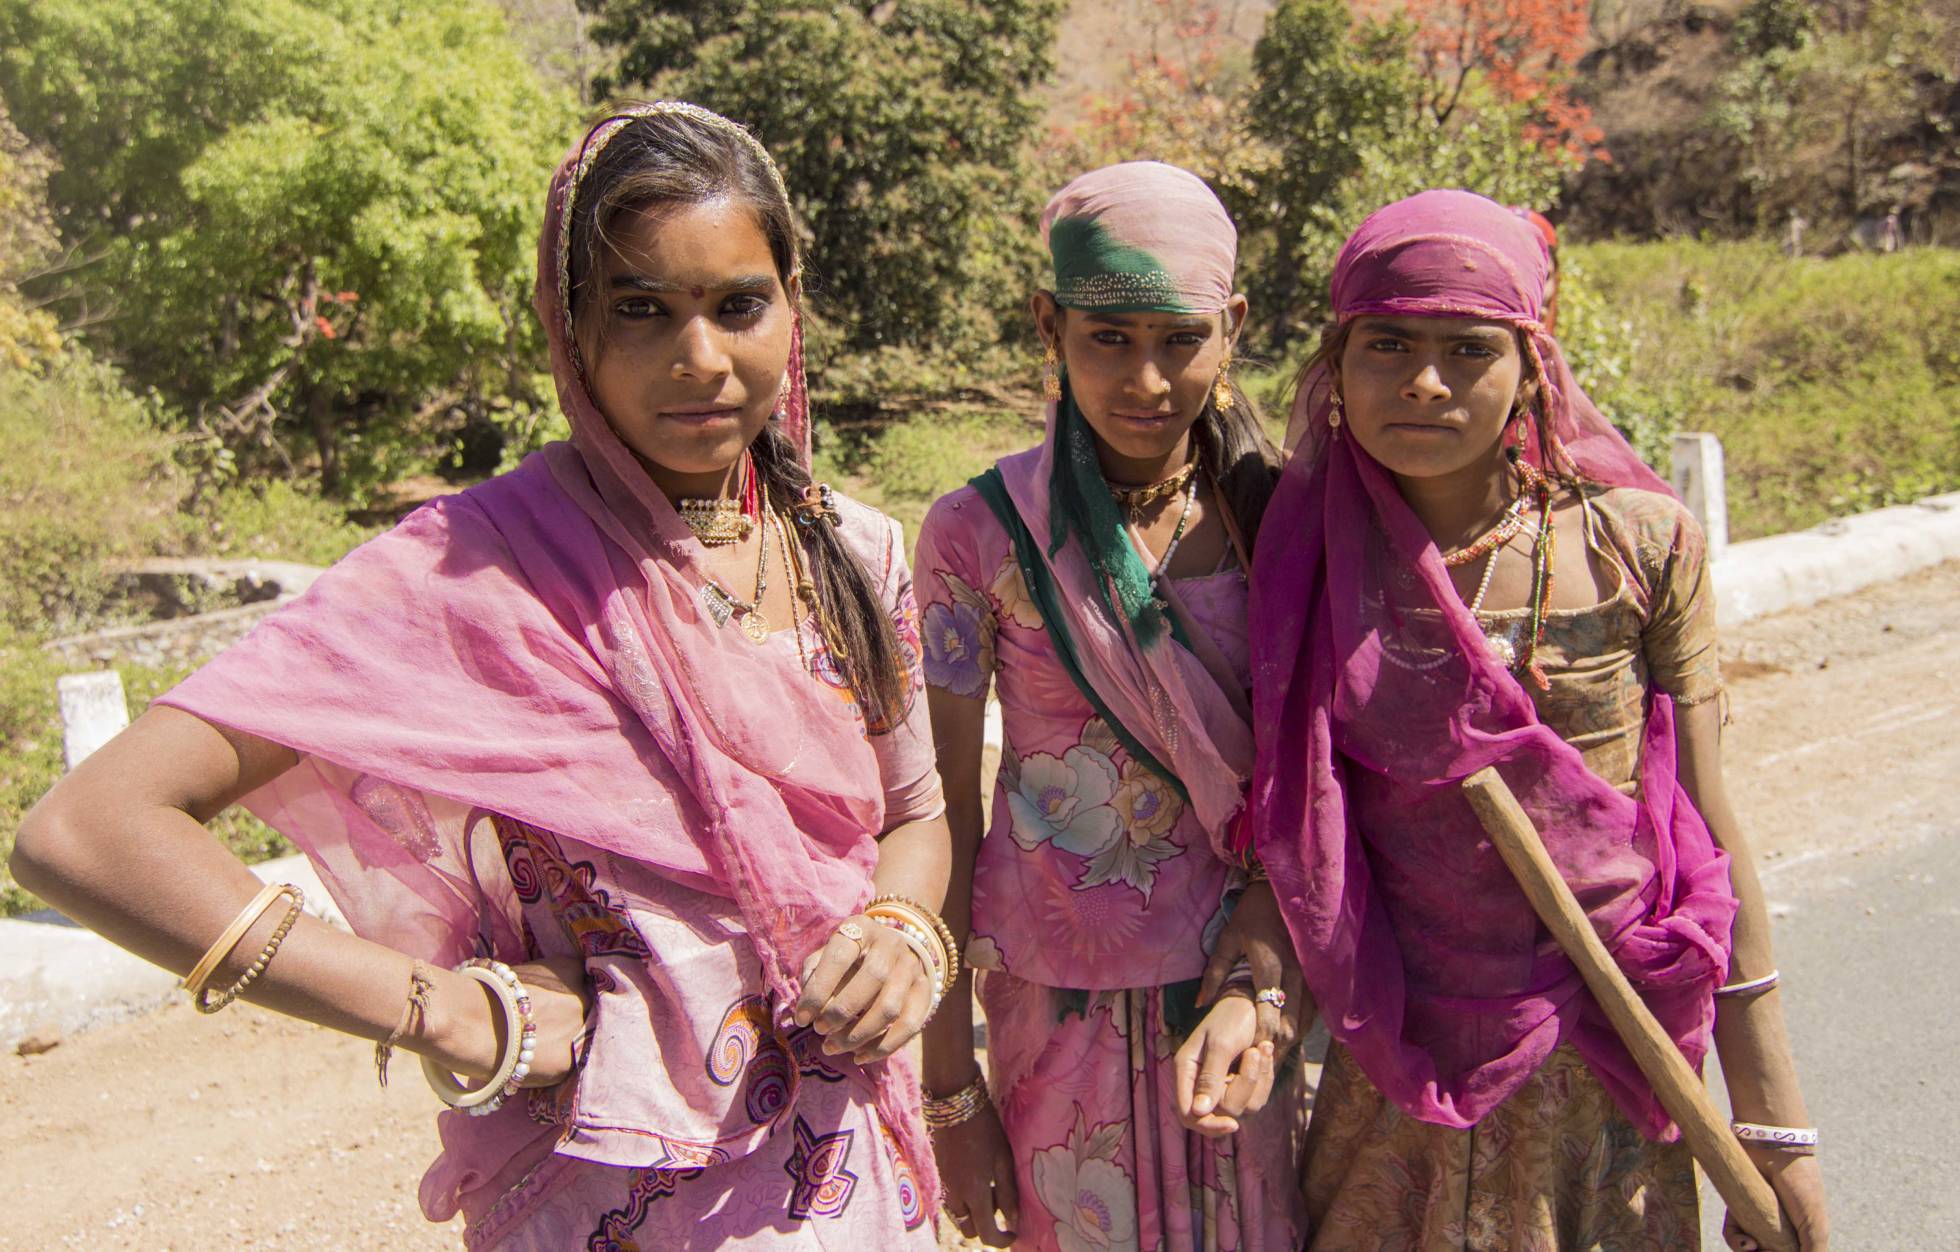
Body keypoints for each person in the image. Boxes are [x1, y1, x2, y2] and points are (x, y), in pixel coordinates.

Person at [10, 102, 957, 1250]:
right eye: (640, 311)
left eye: (736, 305)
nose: (698, 358)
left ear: (791, 304)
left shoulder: (853, 551)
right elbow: (90, 830)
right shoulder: (467, 570)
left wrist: (906, 929)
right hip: (610, 1205)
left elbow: (913, 815)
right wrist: (444, 1011)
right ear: (569, 327)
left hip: (858, 1183)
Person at [1247, 190, 1829, 1252]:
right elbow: (1286, 834)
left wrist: (1775, 1122)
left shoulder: (1640, 544)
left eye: (1467, 348)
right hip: (1398, 1078)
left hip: (1609, 1066)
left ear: (1532, 365)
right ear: (1335, 365)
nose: (1423, 381)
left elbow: (1710, 831)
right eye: (1385, 344)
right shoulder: (1298, 557)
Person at [914, 161, 1309, 1252]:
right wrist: (951, 1094)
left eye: (1179, 339)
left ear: (1233, 328)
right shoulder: (978, 534)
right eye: (1107, 339)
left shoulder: (1281, 524)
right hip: (1053, 1017)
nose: (1146, 378)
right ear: (1048, 324)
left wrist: (1266, 977)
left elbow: (1317, 791)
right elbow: (941, 812)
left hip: (1237, 1003)